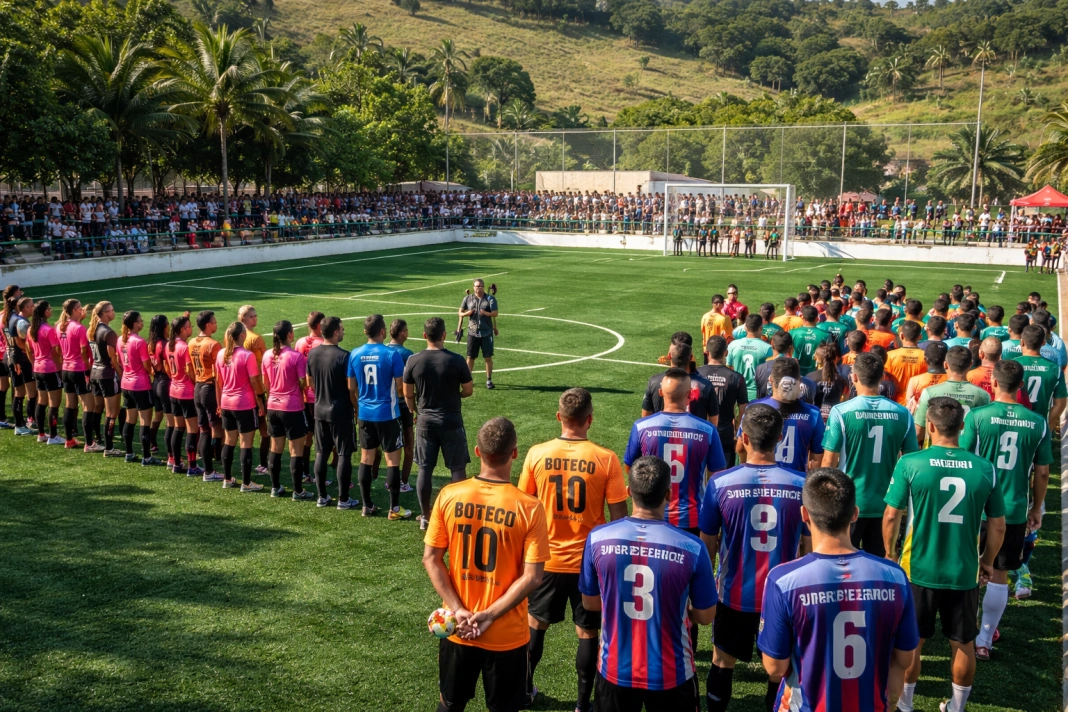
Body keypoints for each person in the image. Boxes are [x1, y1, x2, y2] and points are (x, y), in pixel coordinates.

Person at [883, 397, 1006, 712]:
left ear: (931, 426)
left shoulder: (911, 463)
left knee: (913, 641)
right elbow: (998, 525)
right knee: (963, 642)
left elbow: (892, 516)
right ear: (962, 426)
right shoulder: (985, 468)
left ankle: (906, 704)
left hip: (918, 568)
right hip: (963, 571)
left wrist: (889, 553)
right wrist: (987, 561)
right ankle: (957, 707)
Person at [758, 469, 919, 712]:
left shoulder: (783, 580)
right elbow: (903, 660)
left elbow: (774, 667)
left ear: (804, 514)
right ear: (855, 514)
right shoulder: (895, 577)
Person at [423, 417, 550, 712]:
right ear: (514, 453)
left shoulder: (449, 495)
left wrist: (458, 609)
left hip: (458, 628)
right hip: (507, 635)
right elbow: (533, 577)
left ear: (477, 452)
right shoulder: (529, 507)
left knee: (449, 704)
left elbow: (431, 558)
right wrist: (489, 615)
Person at [577, 455, 716, 712]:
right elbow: (706, 616)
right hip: (672, 672)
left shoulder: (597, 539)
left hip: (615, 669)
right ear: (669, 494)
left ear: (629, 492)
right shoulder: (692, 547)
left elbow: (590, 603)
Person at [519, 388, 629, 711]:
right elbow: (619, 519)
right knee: (588, 632)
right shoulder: (605, 458)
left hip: (546, 561)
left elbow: (523, 508)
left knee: (535, 625)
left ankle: (524, 691)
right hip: (589, 565)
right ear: (590, 419)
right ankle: (583, 703)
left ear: (559, 417)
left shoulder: (536, 454)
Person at [700, 404, 809, 712]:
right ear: (780, 438)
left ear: (744, 438)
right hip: (782, 597)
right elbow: (809, 548)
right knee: (780, 670)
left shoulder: (720, 483)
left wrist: (704, 591)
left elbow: (707, 545)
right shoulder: (801, 484)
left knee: (722, 661)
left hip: (733, 594)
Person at [959, 359, 1051, 660]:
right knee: (999, 573)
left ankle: (965, 630)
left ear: (994, 383)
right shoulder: (1037, 422)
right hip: (1012, 509)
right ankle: (984, 640)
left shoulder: (978, 416)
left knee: (969, 568)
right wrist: (1036, 507)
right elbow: (1042, 472)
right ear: (1020, 386)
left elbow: (963, 460)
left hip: (976, 507)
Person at [821, 353, 918, 556]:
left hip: (850, 503)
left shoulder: (841, 412)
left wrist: (825, 503)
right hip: (887, 504)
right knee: (879, 565)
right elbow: (911, 463)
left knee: (844, 563)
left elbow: (829, 462)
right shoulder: (903, 414)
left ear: (854, 377)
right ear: (882, 376)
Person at [624, 367, 726, 532]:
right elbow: (717, 476)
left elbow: (630, 468)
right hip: (691, 517)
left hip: (652, 514)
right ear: (690, 395)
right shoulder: (707, 430)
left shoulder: (642, 427)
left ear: (660, 393)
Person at [403, 317, 474, 529]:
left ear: (424, 335)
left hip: (425, 421)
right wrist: (456, 395)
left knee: (425, 468)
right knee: (457, 468)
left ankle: (425, 516)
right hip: (451, 420)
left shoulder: (413, 361)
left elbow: (407, 393)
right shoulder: (457, 360)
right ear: (444, 334)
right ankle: (458, 516)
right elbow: (468, 390)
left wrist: (414, 410)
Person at [347, 314, 411, 520]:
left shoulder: (355, 354)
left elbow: (351, 387)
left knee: (366, 459)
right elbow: (400, 387)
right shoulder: (392, 354)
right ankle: (394, 509)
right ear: (383, 331)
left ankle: (367, 506)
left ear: (365, 331)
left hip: (365, 413)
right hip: (387, 414)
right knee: (392, 461)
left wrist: (361, 403)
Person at [742, 359, 824, 472]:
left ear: (771, 380)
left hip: (761, 478)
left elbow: (741, 447)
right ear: (800, 381)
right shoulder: (813, 413)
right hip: (796, 480)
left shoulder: (754, 408)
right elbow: (816, 458)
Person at [214, 321, 264, 491]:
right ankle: (247, 483)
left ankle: (227, 479)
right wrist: (261, 400)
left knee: (229, 441)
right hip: (244, 404)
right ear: (242, 335)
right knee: (246, 443)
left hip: (226, 403)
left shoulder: (221, 354)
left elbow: (219, 382)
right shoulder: (247, 355)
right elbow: (254, 381)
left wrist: (219, 403)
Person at [914, 346, 991, 444]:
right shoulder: (983, 395)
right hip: (968, 451)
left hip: (936, 450)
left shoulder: (929, 392)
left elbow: (918, 432)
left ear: (945, 364)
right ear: (970, 364)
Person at [117, 310, 163, 466]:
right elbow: (146, 365)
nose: (143, 322)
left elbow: (119, 360)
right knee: (145, 422)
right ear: (135, 324)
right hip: (140, 385)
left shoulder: (120, 340)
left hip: (126, 383)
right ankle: (147, 457)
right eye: (141, 320)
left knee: (130, 420)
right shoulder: (139, 342)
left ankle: (129, 453)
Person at [641, 338, 719, 423]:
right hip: (694, 430)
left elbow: (645, 417)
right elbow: (713, 421)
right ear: (691, 357)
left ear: (669, 356)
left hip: (661, 430)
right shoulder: (705, 385)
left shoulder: (654, 381)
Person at [166, 314, 202, 476]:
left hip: (173, 390)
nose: (191, 329)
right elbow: (189, 369)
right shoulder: (184, 347)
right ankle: (192, 466)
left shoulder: (169, 345)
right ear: (182, 329)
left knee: (178, 428)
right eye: (189, 327)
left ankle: (176, 463)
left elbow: (168, 367)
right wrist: (196, 383)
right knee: (192, 430)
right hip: (186, 392)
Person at [190, 311, 224, 480]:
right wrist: (220, 401)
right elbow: (218, 374)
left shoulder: (191, 342)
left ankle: (208, 470)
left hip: (197, 386)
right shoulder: (213, 345)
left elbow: (189, 369)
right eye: (215, 322)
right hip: (210, 387)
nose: (216, 324)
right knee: (217, 427)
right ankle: (218, 463)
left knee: (203, 429)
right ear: (209, 325)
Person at [238, 304, 271, 477]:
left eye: (255, 315)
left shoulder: (231, 335)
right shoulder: (256, 339)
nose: (255, 318)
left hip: (238, 388)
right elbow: (266, 362)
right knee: (264, 430)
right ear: (243, 318)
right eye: (252, 316)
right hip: (255, 388)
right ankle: (263, 464)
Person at [88, 301, 124, 457]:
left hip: (95, 373)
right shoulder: (108, 333)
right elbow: (112, 358)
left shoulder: (92, 329)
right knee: (112, 413)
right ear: (104, 313)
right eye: (111, 310)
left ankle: (97, 438)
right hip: (107, 375)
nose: (113, 312)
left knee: (98, 408)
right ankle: (109, 448)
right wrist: (121, 374)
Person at [57, 299, 94, 450]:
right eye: (79, 308)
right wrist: (88, 370)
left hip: (66, 369)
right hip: (79, 369)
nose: (82, 310)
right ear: (73, 310)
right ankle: (89, 443)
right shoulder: (79, 328)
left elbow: (58, 350)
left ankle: (69, 440)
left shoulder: (60, 326)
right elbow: (84, 351)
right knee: (88, 406)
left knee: (70, 405)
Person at [294, 311, 325, 486]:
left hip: (303, 397)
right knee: (322, 439)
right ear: (319, 325)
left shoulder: (299, 342)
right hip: (319, 397)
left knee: (307, 437)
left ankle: (305, 472)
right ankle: (321, 475)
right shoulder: (322, 344)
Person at [27, 300, 64, 445]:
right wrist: (60, 368)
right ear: (45, 312)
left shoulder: (31, 329)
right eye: (49, 308)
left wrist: (35, 363)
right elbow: (55, 352)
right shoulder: (48, 330)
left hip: (38, 368)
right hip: (50, 369)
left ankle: (41, 434)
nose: (51, 310)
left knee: (41, 402)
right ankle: (53, 436)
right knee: (54, 403)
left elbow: (29, 350)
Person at [1016, 324, 1067, 425]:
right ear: (1043, 343)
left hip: (1017, 423)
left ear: (1022, 342)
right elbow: (1060, 403)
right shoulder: (1055, 369)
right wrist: (1048, 425)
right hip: (1041, 423)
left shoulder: (1013, 365)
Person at [385, 319, 415, 492]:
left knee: (389, 445)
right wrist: (414, 407)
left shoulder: (384, 351)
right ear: (403, 333)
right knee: (409, 444)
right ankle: (403, 482)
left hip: (385, 404)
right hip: (403, 404)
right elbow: (411, 384)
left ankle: (388, 479)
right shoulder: (407, 354)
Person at [459, 279, 499, 389]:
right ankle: (468, 380)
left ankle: (489, 380)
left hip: (486, 332)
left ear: (483, 287)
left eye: (480, 286)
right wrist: (468, 313)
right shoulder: (468, 299)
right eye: (476, 286)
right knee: (470, 357)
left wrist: (485, 313)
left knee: (487, 357)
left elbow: (495, 313)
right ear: (473, 287)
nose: (478, 288)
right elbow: (460, 312)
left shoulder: (490, 299)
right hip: (472, 332)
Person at [726, 314, 773, 401]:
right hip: (757, 394)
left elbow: (728, 367)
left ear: (746, 328)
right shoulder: (768, 348)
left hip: (737, 391)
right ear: (761, 328)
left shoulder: (733, 345)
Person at [147, 314, 173, 465]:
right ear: (164, 326)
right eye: (167, 323)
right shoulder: (164, 344)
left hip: (155, 382)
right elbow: (168, 367)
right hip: (165, 383)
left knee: (157, 416)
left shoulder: (151, 343)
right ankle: (171, 454)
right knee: (171, 421)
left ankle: (152, 443)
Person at [886, 321, 927, 405]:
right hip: (916, 404)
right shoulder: (926, 357)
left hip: (895, 403)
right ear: (920, 337)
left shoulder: (889, 356)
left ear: (901, 336)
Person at [789, 306, 825, 374]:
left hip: (796, 372)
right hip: (817, 373)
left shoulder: (792, 333)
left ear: (802, 317)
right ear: (817, 318)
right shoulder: (825, 335)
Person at [700, 295, 732, 362]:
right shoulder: (725, 319)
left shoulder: (704, 317)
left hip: (707, 350)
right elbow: (728, 337)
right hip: (719, 351)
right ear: (720, 304)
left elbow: (703, 332)